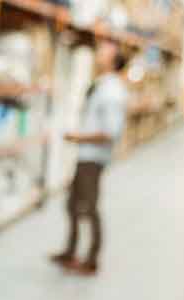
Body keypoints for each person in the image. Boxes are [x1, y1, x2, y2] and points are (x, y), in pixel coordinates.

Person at [51, 40, 129, 276]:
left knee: (90, 207)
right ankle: (71, 251)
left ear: (114, 60)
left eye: (105, 50)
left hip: (93, 158)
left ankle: (92, 259)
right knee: (73, 205)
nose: (99, 53)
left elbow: (110, 132)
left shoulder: (113, 91)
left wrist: (78, 137)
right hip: (86, 155)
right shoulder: (102, 85)